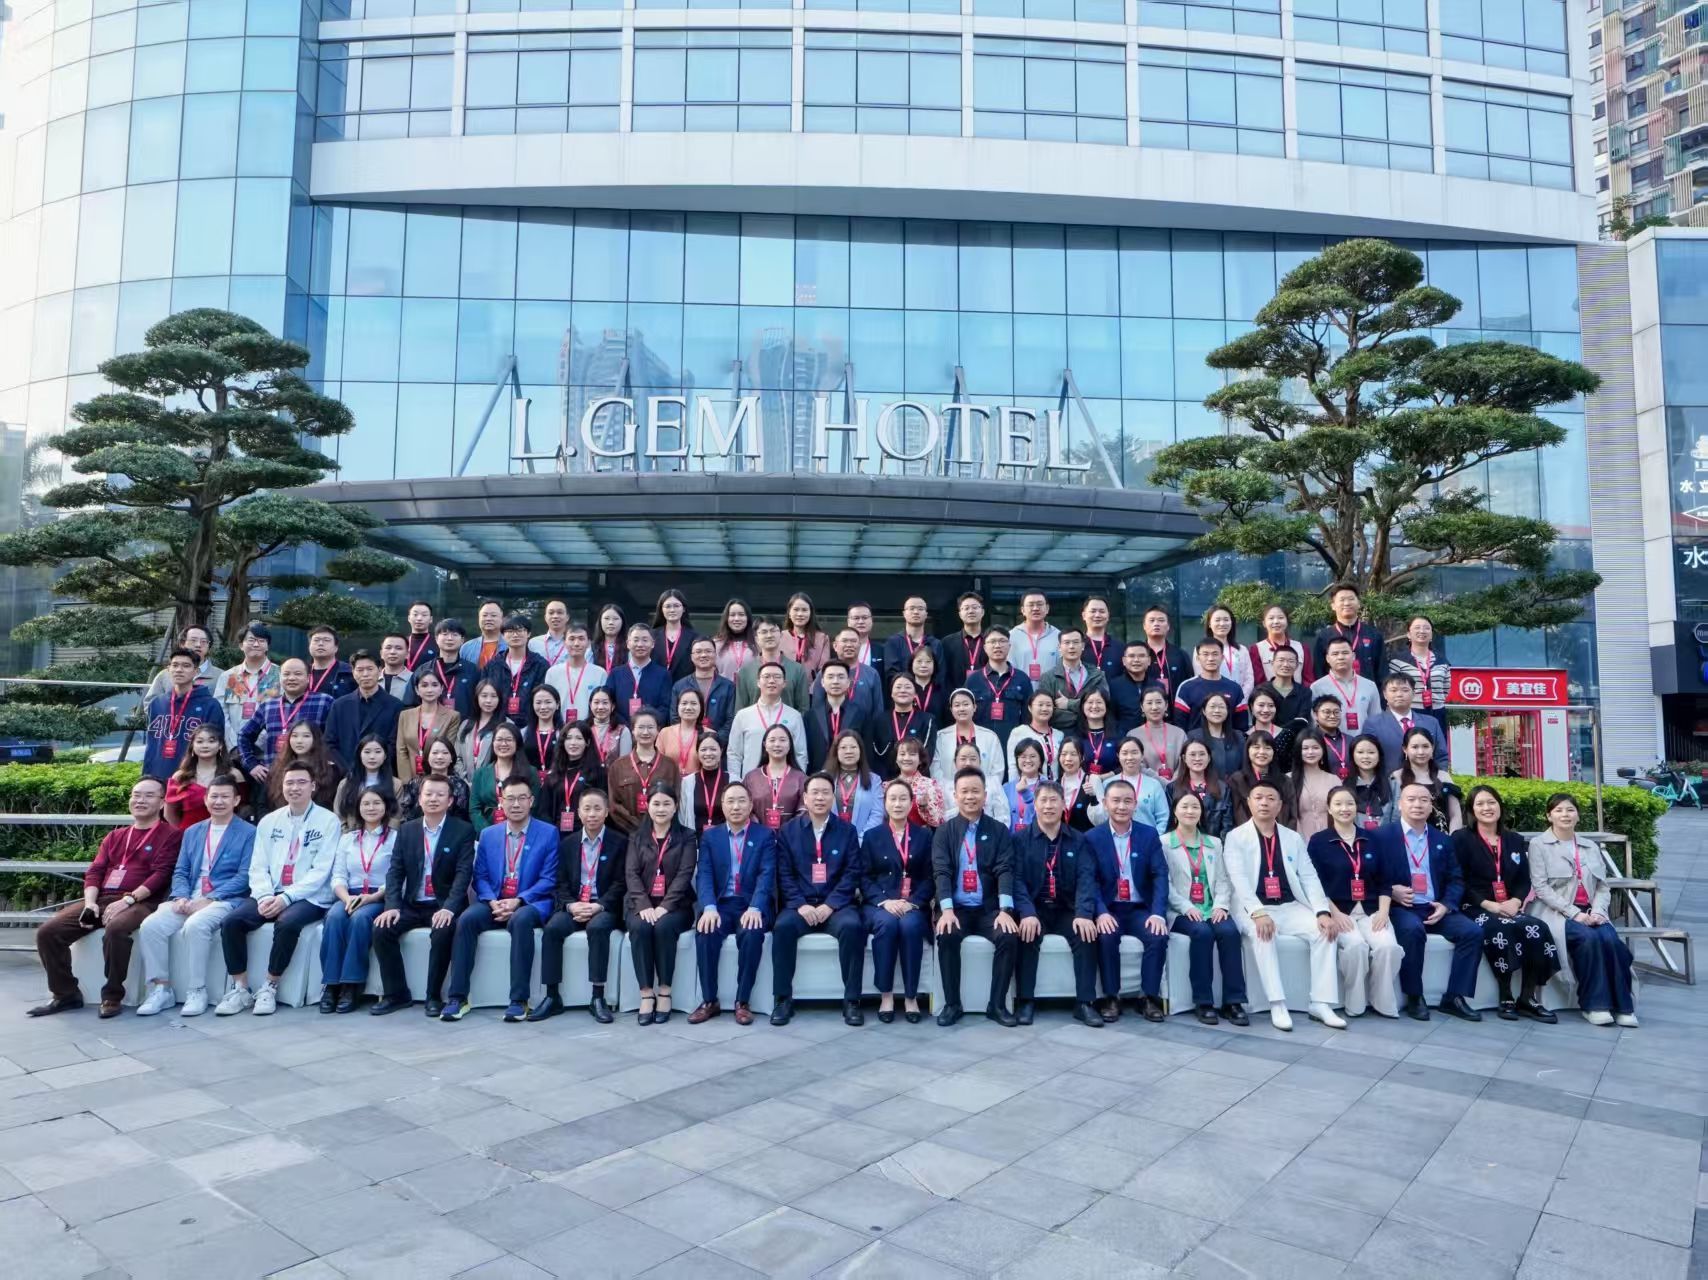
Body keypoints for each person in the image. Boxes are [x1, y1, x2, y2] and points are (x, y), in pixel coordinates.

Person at [28, 777, 181, 1018]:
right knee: (48, 932)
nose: (140, 800)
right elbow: (95, 871)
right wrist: (90, 904)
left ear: (162, 803)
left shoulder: (171, 835)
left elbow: (161, 875)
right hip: (102, 898)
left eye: (149, 795)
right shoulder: (116, 836)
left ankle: (112, 995)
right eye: (136, 795)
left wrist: (128, 900)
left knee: (116, 929)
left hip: (143, 902)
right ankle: (65, 994)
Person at [215, 762, 340, 1016]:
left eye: (301, 782)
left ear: (313, 786)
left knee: (287, 923)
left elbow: (322, 871)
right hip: (270, 892)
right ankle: (240, 988)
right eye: (289, 783)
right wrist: (264, 895)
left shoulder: (328, 821)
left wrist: (287, 898)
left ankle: (270, 986)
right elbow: (258, 866)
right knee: (231, 922)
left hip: (309, 896)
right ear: (281, 787)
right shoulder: (269, 821)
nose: (295, 788)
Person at [1222, 781, 1346, 1031]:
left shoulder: (1292, 837)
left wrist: (1322, 912)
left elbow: (1309, 877)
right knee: (1264, 934)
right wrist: (1258, 913)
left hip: (1289, 906)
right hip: (1254, 908)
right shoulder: (1236, 837)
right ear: (1249, 803)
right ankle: (1277, 1003)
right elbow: (1238, 880)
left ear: (1280, 806)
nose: (1264, 803)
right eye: (1259, 797)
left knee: (1324, 931)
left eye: (1271, 798)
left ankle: (1321, 1002)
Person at [440, 775, 559, 1022]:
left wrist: (519, 900)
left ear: (531, 801)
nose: (516, 804)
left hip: (530, 902)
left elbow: (549, 879)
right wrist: (492, 900)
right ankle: (458, 997)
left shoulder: (548, 833)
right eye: (510, 798)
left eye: (522, 798)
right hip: (494, 900)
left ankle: (519, 1000)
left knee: (521, 920)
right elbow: (480, 876)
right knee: (467, 920)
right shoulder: (488, 834)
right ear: (501, 802)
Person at [135, 776, 254, 1017]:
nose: (218, 801)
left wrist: (211, 898)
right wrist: (180, 896)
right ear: (205, 799)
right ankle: (161, 989)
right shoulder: (192, 831)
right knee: (151, 926)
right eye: (214, 796)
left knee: (196, 925)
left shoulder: (249, 832)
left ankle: (197, 990)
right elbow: (181, 870)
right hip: (189, 897)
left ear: (236, 800)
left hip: (225, 899)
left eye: (225, 797)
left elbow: (245, 876)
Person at [1373, 781, 1485, 1021]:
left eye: (1424, 800)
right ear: (1400, 804)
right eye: (1411, 799)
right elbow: (1369, 874)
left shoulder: (1442, 839)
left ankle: (1454, 997)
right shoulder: (1381, 836)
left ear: (1431, 806)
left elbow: (1456, 879)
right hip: (1402, 907)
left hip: (1435, 907)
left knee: (1472, 932)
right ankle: (1414, 995)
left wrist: (1446, 905)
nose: (1418, 804)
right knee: (1412, 931)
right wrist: (1391, 891)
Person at [370, 773, 475, 1016]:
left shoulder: (463, 831)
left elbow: (463, 875)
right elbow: (395, 872)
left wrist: (449, 908)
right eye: (428, 794)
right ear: (419, 799)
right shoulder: (407, 830)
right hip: (413, 903)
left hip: (443, 903)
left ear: (450, 801)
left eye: (440, 795)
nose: (433, 799)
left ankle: (433, 996)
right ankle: (396, 994)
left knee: (443, 930)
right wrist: (392, 906)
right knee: (381, 929)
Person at [1528, 792, 1636, 1027]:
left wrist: (1598, 911)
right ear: (1549, 816)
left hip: (1591, 911)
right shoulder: (1539, 845)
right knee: (1588, 940)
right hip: (1556, 912)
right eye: (1558, 810)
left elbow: (1602, 886)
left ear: (1577, 815)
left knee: (1611, 941)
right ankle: (1594, 1004)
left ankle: (1623, 1006)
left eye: (1570, 810)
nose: (1565, 815)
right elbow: (1541, 888)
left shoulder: (1590, 846)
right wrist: (1574, 913)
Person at [1453, 784, 1559, 1022]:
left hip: (1509, 905)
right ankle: (1506, 996)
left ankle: (1528, 997)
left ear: (1500, 806)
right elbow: (1459, 880)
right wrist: (1488, 904)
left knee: (1538, 928)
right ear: (1471, 809)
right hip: (1475, 907)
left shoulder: (1514, 840)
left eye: (1491, 802)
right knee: (1501, 928)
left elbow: (1523, 879)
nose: (1487, 808)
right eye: (1480, 804)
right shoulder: (1461, 839)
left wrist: (1516, 900)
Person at [769, 773, 866, 1026]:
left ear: (833, 798)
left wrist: (830, 905)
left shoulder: (847, 831)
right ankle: (782, 999)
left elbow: (852, 873)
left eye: (825, 792)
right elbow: (784, 874)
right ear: (805, 797)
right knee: (783, 928)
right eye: (815, 792)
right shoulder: (788, 831)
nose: (820, 798)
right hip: (800, 905)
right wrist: (800, 904)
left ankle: (852, 1000)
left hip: (836, 906)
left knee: (852, 927)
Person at [931, 767, 1020, 1026]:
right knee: (947, 934)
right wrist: (946, 910)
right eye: (965, 792)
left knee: (1008, 935)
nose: (970, 796)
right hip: (956, 908)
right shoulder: (944, 832)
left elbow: (1005, 869)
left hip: (989, 908)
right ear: (955, 795)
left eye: (975, 791)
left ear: (985, 795)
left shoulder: (999, 831)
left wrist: (1005, 910)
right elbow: (941, 872)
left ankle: (997, 1005)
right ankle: (952, 1004)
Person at [1306, 786, 1402, 1019]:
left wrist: (1383, 912)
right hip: (1340, 910)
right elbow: (1314, 883)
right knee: (1356, 947)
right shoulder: (1318, 842)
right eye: (1338, 804)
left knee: (1388, 947)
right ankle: (1355, 1002)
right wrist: (1334, 913)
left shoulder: (1373, 838)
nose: (1344, 808)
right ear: (1329, 809)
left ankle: (1382, 1001)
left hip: (1372, 909)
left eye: (1349, 803)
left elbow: (1385, 881)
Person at [532, 788, 625, 1024]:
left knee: (598, 928)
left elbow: (621, 883)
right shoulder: (568, 843)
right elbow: (559, 882)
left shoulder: (620, 843)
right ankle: (552, 996)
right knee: (552, 929)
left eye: (597, 808)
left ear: (607, 812)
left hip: (602, 907)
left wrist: (599, 906)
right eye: (587, 809)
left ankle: (598, 996)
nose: (592, 814)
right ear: (579, 813)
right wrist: (571, 906)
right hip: (574, 905)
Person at [1012, 781, 1101, 1026]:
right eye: (1043, 800)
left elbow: (1086, 878)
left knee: (1086, 934)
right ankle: (1026, 1000)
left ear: (1063, 805)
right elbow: (1016, 880)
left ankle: (1084, 1003)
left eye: (1054, 800)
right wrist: (1027, 912)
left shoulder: (1078, 840)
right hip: (1036, 908)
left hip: (1066, 908)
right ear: (1035, 805)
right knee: (1026, 933)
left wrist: (1084, 913)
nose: (1049, 806)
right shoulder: (1020, 840)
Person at [1081, 778, 1169, 1023]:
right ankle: (1111, 996)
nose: (1121, 806)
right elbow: (1089, 880)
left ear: (1135, 804)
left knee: (1158, 936)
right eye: (1116, 801)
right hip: (1110, 907)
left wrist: (1158, 913)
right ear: (1105, 803)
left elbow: (1160, 875)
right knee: (1106, 936)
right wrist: (1100, 912)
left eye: (1127, 801)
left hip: (1140, 908)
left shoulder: (1148, 835)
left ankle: (1148, 997)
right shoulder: (1092, 837)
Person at [689, 781, 774, 1025]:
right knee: (706, 931)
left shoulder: (765, 835)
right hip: (720, 904)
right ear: (722, 806)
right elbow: (704, 874)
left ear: (751, 805)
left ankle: (742, 1001)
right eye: (730, 801)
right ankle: (709, 1001)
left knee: (752, 933)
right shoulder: (710, 836)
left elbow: (766, 874)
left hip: (750, 904)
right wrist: (708, 907)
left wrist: (756, 907)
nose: (736, 806)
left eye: (741, 801)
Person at [1161, 790, 1248, 1026]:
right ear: (1175, 812)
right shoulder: (1164, 843)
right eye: (1184, 806)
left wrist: (1221, 906)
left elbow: (1223, 880)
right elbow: (1165, 884)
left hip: (1212, 908)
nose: (1190, 811)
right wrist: (1186, 907)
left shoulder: (1214, 843)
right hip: (1181, 911)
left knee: (1230, 932)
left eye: (1195, 807)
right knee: (1202, 933)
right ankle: (1203, 1002)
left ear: (1202, 813)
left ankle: (1234, 1002)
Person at [317, 785, 397, 1013]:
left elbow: (396, 876)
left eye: (376, 803)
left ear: (386, 807)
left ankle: (351, 985)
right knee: (334, 917)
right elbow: (338, 876)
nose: (371, 808)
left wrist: (372, 897)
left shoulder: (395, 839)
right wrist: (346, 898)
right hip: (348, 895)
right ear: (358, 808)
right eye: (366, 803)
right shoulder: (348, 839)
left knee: (360, 919)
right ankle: (331, 985)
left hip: (379, 895)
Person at [860, 779, 932, 1024]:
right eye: (893, 799)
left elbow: (930, 877)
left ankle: (911, 996)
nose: (898, 804)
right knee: (887, 924)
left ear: (911, 803)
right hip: (880, 905)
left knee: (910, 926)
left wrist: (913, 902)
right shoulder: (872, 836)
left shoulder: (924, 836)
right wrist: (884, 901)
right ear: (885, 803)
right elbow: (864, 877)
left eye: (903, 799)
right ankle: (886, 994)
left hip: (912, 904)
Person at [142, 648, 225, 780]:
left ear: (196, 671)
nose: (179, 670)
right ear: (168, 669)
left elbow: (217, 746)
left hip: (192, 777)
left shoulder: (210, 705)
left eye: (186, 666)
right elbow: (151, 744)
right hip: (156, 774)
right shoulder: (157, 703)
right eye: (175, 665)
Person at [729, 662, 808, 777]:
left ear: (784, 683)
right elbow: (734, 754)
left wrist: (798, 781)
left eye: (777, 677)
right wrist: (736, 781)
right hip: (751, 782)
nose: (771, 681)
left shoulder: (794, 716)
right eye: (766, 677)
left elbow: (801, 754)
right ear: (758, 682)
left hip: (785, 782)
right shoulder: (743, 716)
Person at [607, 710, 679, 833]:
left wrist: (657, 826)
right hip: (627, 835)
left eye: (650, 727)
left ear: (658, 730)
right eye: (641, 727)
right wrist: (639, 829)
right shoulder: (618, 766)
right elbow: (614, 805)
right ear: (633, 730)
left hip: (662, 833)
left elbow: (676, 799)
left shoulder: (670, 766)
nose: (645, 732)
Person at [1368, 672, 1447, 777]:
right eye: (1393, 690)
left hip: (1426, 782)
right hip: (1388, 782)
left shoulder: (1431, 723)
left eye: (1405, 690)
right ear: (1385, 694)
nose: (1399, 694)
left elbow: (1441, 756)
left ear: (1413, 694)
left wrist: (1438, 780)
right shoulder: (1373, 724)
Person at [165, 724, 245, 829]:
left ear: (220, 745)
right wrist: (182, 833)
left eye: (211, 741)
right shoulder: (180, 776)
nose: (205, 746)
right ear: (192, 746)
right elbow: (169, 813)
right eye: (200, 741)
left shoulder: (234, 775)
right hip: (188, 833)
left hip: (226, 832)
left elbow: (242, 809)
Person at [967, 626, 1034, 748]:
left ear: (1009, 646)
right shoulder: (973, 680)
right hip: (980, 745)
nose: (997, 646)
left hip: (1013, 745)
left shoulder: (1022, 679)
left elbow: (1028, 716)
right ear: (985, 647)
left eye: (1002, 641)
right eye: (992, 642)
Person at [1388, 728, 1464, 832]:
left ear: (1432, 748)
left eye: (1425, 746)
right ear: (1405, 749)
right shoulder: (1396, 777)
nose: (1421, 752)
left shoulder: (1443, 777)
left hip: (1442, 838)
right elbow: (1391, 815)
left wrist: (1452, 838)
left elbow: (1455, 814)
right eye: (1415, 747)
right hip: (1405, 837)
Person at [482, 614, 552, 727]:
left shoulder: (540, 665)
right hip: (497, 726)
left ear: (528, 633)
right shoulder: (493, 665)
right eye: (510, 631)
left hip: (530, 726)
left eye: (520, 630)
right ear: (503, 635)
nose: (515, 635)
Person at [216, 624, 279, 749]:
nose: (256, 644)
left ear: (267, 646)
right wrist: (234, 745)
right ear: (241, 645)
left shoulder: (279, 675)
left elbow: (282, 712)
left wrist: (257, 744)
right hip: (233, 750)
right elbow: (221, 713)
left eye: (261, 641)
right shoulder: (229, 676)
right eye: (251, 640)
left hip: (267, 748)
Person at [396, 667, 460, 785]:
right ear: (417, 689)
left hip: (438, 780)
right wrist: (407, 782)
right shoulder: (405, 715)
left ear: (441, 689)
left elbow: (447, 750)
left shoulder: (452, 716)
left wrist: (433, 781)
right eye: (424, 685)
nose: (429, 690)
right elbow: (401, 750)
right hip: (410, 780)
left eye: (434, 685)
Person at [1037, 628, 1110, 732]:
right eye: (1067, 643)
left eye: (1076, 642)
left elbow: (1105, 703)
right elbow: (1047, 711)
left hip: (1091, 733)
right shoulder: (1048, 677)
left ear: (1083, 646)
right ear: (1059, 647)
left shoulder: (1097, 675)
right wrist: (1084, 714)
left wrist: (1068, 704)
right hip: (1062, 733)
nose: (1071, 646)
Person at [1090, 738, 1170, 831]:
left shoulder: (1154, 785)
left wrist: (1156, 837)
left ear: (1142, 756)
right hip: (1116, 838)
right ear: (1118, 756)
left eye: (1134, 752)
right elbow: (1102, 816)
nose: (1129, 757)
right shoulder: (1108, 784)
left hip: (1148, 838)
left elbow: (1163, 818)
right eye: (1124, 753)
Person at [807, 660, 874, 771]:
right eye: (830, 677)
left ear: (848, 682)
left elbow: (867, 752)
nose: (835, 681)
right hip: (819, 775)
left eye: (841, 677)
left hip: (851, 774)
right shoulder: (811, 716)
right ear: (822, 682)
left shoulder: (861, 714)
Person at [471, 724, 539, 832]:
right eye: (499, 739)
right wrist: (488, 831)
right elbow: (474, 810)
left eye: (509, 740)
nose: (503, 744)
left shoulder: (530, 772)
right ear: (493, 743)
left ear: (517, 743)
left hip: (521, 831)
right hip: (488, 831)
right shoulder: (481, 773)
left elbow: (535, 806)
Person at [537, 724, 604, 834]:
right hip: (556, 831)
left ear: (587, 742)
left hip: (587, 832)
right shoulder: (554, 774)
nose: (573, 743)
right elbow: (544, 811)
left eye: (579, 738)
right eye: (568, 738)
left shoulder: (597, 772)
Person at [734, 618, 811, 713]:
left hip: (788, 722)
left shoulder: (797, 669)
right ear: (756, 638)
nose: (769, 635)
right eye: (764, 632)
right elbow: (740, 709)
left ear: (781, 635)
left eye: (773, 631)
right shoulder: (745, 671)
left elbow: (803, 708)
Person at [1388, 614, 1449, 734]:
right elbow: (1391, 688)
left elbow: (1446, 689)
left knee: (1436, 744)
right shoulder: (1398, 660)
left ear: (1431, 635)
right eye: (1417, 627)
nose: (1422, 631)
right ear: (1409, 634)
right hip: (1409, 712)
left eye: (1426, 628)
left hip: (1437, 713)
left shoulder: (1442, 661)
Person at [264, 720, 341, 813]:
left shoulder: (330, 770)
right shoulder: (277, 768)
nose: (299, 741)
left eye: (306, 736)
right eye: (295, 736)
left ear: (315, 739)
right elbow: (264, 803)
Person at [1312, 583, 1384, 682]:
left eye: (1351, 599)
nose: (1347, 603)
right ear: (1333, 606)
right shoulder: (1323, 637)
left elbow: (1382, 671)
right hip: (1334, 690)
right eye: (1342, 600)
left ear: (1359, 603)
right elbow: (1319, 671)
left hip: (1368, 690)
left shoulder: (1374, 635)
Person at [933, 688, 1006, 786]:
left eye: (966, 704)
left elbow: (997, 772)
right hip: (948, 792)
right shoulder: (940, 737)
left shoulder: (990, 737)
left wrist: (981, 790)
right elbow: (935, 771)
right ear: (951, 710)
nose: (962, 709)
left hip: (983, 792)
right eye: (957, 705)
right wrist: (953, 791)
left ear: (974, 707)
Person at [743, 723, 807, 833]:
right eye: (772, 740)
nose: (777, 744)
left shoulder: (801, 778)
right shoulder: (751, 778)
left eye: (782, 740)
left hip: (791, 837)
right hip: (757, 836)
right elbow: (745, 807)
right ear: (765, 745)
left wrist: (788, 831)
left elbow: (805, 810)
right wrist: (759, 830)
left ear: (790, 745)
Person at [1311, 636, 1381, 737]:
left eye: (1345, 653)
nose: (1340, 657)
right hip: (1332, 743)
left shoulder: (1369, 686)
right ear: (1327, 658)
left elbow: (1376, 720)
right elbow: (1314, 723)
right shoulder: (1317, 688)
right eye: (1335, 654)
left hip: (1364, 743)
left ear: (1353, 656)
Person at [1174, 638, 1248, 732]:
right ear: (1198, 658)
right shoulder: (1186, 687)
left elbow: (1241, 726)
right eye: (1205, 654)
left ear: (1222, 658)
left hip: (1228, 741)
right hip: (1195, 741)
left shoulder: (1235, 688)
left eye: (1215, 654)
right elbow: (1179, 727)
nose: (1210, 659)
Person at [407, 619, 477, 719]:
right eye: (445, 634)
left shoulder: (473, 671)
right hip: (429, 726)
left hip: (464, 725)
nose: (449, 638)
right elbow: (410, 703)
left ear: (462, 640)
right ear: (436, 639)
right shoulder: (423, 670)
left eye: (455, 635)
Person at [544, 620, 607, 725]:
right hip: (560, 728)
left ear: (588, 643)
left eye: (581, 639)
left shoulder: (600, 673)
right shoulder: (552, 673)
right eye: (572, 639)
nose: (576, 644)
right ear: (564, 642)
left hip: (589, 729)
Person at [673, 637, 737, 739]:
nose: (703, 655)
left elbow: (731, 720)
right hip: (686, 742)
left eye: (708, 651)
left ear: (715, 655)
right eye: (698, 652)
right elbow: (675, 718)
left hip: (718, 745)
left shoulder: (728, 686)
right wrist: (690, 739)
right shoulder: (680, 686)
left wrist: (714, 740)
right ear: (691, 657)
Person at [608, 625, 673, 724]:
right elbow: (609, 703)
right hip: (621, 729)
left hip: (651, 729)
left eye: (645, 640)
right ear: (628, 644)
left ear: (653, 644)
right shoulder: (615, 674)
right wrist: (624, 727)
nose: (640, 644)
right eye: (636, 640)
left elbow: (665, 707)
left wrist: (647, 726)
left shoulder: (663, 674)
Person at [1227, 731, 1293, 829]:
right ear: (1247, 750)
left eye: (1267, 748)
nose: (1262, 752)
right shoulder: (1237, 780)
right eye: (1256, 747)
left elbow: (1292, 816)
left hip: (1280, 835)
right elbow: (1237, 814)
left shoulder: (1285, 781)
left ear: (1274, 752)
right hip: (1247, 834)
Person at [874, 671, 935, 777]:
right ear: (891, 693)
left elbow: (927, 754)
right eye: (898, 687)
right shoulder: (880, 720)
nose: (902, 690)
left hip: (918, 779)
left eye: (907, 687)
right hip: (887, 780)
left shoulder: (927, 720)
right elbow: (876, 756)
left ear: (915, 694)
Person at [331, 734, 398, 830]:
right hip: (351, 835)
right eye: (367, 752)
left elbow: (396, 817)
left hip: (386, 836)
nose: (372, 757)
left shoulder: (396, 785)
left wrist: (384, 835)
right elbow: (339, 815)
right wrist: (348, 835)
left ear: (385, 755)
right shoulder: (346, 784)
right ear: (359, 755)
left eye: (378, 752)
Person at [1167, 740, 1232, 839]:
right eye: (1192, 754)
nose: (1197, 759)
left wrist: (1218, 845)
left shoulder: (1223, 788)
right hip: (1182, 843)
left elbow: (1227, 824)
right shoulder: (1172, 788)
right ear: (1184, 758)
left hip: (1214, 844)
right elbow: (1170, 822)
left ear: (1209, 758)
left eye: (1202, 754)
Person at [396, 739, 471, 824]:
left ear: (452, 758)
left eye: (445, 753)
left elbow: (462, 818)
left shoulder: (460, 786)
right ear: (427, 757)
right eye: (435, 753)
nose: (439, 757)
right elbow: (406, 815)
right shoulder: (415, 784)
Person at [827, 730, 883, 832]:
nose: (849, 751)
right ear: (836, 751)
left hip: (863, 838)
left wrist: (861, 838)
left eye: (853, 747)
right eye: (843, 747)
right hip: (829, 838)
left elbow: (877, 814)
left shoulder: (874, 780)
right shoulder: (824, 778)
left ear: (860, 751)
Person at [144, 624, 217, 701]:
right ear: (182, 644)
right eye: (193, 640)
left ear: (209, 646)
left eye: (203, 641)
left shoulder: (219, 676)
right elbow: (150, 702)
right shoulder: (164, 675)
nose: (198, 645)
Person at [882, 595, 942, 688]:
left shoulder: (935, 644)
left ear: (926, 614)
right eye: (911, 608)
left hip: (929, 694)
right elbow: (891, 674)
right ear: (904, 613)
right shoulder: (893, 642)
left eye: (920, 609)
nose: (916, 612)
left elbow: (940, 675)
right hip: (903, 693)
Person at [1193, 605, 1255, 696]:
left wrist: (1240, 699)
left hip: (1239, 700)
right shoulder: (1201, 649)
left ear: (1231, 623)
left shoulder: (1242, 650)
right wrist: (1216, 700)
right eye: (1217, 620)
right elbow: (1200, 678)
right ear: (1209, 624)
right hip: (1212, 701)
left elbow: (1249, 679)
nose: (1222, 624)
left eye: (1226, 620)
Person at [826, 627, 884, 722]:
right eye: (844, 641)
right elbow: (817, 709)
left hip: (865, 727)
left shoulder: (872, 674)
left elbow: (878, 710)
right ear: (835, 646)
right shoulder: (825, 673)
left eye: (853, 641)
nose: (849, 645)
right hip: (832, 726)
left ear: (860, 645)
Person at [1127, 689, 1185, 782]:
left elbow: (1185, 761)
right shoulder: (1133, 735)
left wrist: (1173, 784)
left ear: (1166, 705)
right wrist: (1161, 782)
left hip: (1178, 785)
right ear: (1142, 707)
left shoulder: (1179, 733)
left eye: (1158, 702)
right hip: (1146, 786)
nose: (1154, 707)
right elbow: (1135, 764)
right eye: (1149, 703)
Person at [1291, 731, 1340, 839]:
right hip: (1298, 840)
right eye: (1305, 748)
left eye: (1315, 748)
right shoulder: (1288, 780)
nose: (1310, 752)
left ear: (1323, 750)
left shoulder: (1334, 780)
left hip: (1330, 839)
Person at [678, 732, 730, 834]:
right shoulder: (687, 783)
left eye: (713, 749)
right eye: (703, 750)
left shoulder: (733, 781)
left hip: (725, 840)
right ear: (697, 752)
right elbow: (683, 816)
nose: (708, 753)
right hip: (695, 840)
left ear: (721, 751)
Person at [1248, 604, 1314, 685]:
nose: (1276, 621)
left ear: (1287, 621)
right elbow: (1258, 682)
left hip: (1298, 692)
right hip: (1268, 692)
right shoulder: (1256, 649)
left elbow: (1308, 680)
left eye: (1280, 618)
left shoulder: (1302, 648)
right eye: (1271, 618)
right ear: (1264, 623)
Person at [1139, 606, 1191, 706]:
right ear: (1144, 626)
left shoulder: (1180, 655)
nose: (1156, 624)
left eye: (1161, 620)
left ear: (1168, 626)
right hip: (1145, 710)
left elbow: (1188, 684)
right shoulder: (1137, 656)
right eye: (1152, 620)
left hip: (1176, 710)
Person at [456, 679, 508, 780]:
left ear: (499, 699)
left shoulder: (506, 725)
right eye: (484, 696)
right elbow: (457, 757)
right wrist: (465, 779)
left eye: (493, 696)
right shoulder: (465, 724)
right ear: (477, 698)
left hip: (492, 783)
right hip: (465, 782)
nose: (488, 700)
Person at [1188, 692, 1245, 781]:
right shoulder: (1194, 736)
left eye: (1221, 707)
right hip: (1206, 787)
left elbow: (1244, 766)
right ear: (1204, 711)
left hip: (1235, 786)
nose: (1217, 710)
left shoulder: (1238, 736)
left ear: (1227, 711)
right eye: (1212, 706)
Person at [892, 737, 946, 828]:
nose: (906, 758)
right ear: (896, 759)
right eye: (902, 754)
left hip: (919, 835)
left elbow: (939, 821)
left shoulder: (930, 785)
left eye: (912, 754)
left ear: (920, 760)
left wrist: (924, 807)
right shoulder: (887, 786)